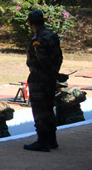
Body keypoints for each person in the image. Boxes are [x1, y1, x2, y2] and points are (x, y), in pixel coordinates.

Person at [23, 10, 64, 152]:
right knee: (49, 109)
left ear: (31, 23)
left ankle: (42, 142)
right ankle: (52, 140)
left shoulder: (39, 38)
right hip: (50, 78)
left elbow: (42, 59)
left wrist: (52, 73)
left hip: (40, 78)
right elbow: (59, 56)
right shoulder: (52, 35)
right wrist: (56, 73)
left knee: (40, 111)